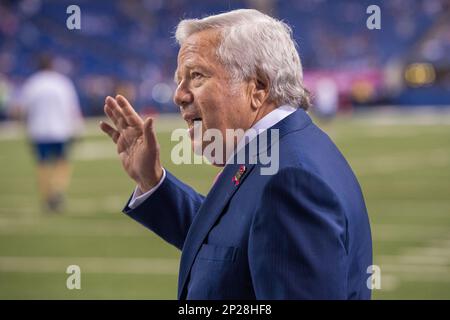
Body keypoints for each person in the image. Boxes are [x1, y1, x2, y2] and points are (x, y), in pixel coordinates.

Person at [100, 9, 372, 299]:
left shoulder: (291, 180)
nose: (178, 95)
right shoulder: (283, 149)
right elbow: (233, 242)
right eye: (180, 79)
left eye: (196, 76)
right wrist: (153, 182)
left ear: (258, 88)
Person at [18, 54, 84, 212]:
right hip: (60, 129)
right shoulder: (62, 82)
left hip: (38, 130)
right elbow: (72, 108)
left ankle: (47, 196)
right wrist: (77, 128)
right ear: (52, 65)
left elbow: (23, 110)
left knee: (42, 164)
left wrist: (26, 128)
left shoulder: (32, 84)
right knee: (62, 162)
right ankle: (57, 190)